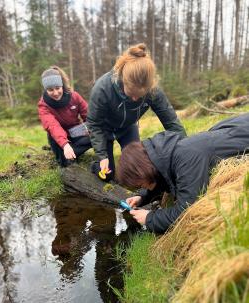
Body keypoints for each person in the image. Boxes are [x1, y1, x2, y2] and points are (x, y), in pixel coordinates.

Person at [116, 113, 249, 234]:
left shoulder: (187, 159)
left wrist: (150, 218)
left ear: (144, 171)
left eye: (140, 184)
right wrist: (142, 197)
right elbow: (164, 176)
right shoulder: (167, 153)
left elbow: (188, 210)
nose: (142, 187)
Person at [87, 43, 186, 180]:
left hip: (128, 127)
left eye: (139, 96)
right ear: (123, 79)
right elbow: (94, 124)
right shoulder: (102, 88)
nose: (134, 99)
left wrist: (185, 149)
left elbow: (172, 123)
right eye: (131, 94)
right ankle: (95, 165)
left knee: (140, 168)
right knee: (108, 174)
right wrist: (102, 156)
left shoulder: (153, 91)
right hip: (105, 129)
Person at [38, 66, 91, 167]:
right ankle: (67, 155)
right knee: (65, 163)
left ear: (62, 85)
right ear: (46, 90)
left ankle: (72, 152)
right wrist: (65, 144)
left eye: (57, 88)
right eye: (50, 90)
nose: (55, 93)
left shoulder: (74, 96)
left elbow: (89, 116)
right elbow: (53, 126)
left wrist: (95, 129)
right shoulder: (43, 105)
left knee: (100, 133)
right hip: (58, 138)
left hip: (75, 131)